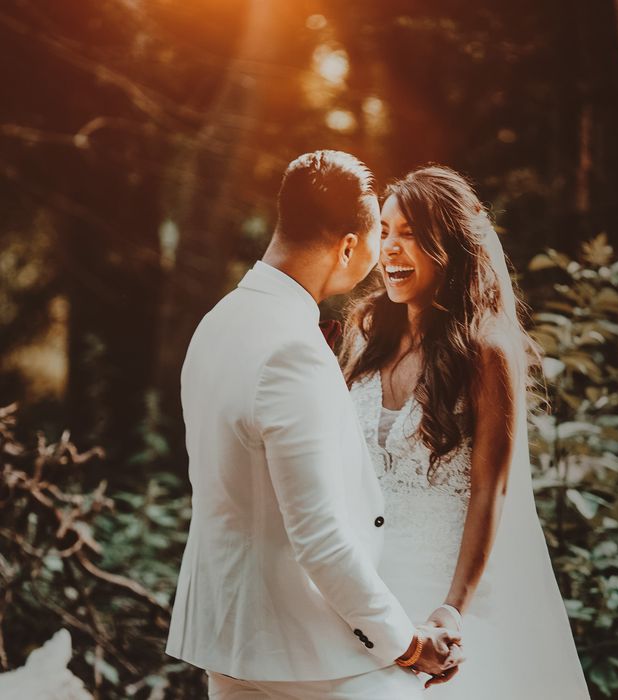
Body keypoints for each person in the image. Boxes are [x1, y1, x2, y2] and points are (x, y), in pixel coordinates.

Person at [165, 151, 462, 700]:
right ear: (349, 244)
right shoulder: (292, 351)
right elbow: (319, 538)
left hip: (230, 643)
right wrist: (408, 644)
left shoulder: (217, 322)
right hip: (310, 655)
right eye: (376, 240)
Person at [341, 165, 592, 697]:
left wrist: (452, 609)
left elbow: (490, 490)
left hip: (444, 588)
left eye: (410, 234)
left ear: (449, 245)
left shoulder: (486, 351)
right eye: (385, 231)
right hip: (363, 588)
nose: (391, 248)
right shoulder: (365, 337)